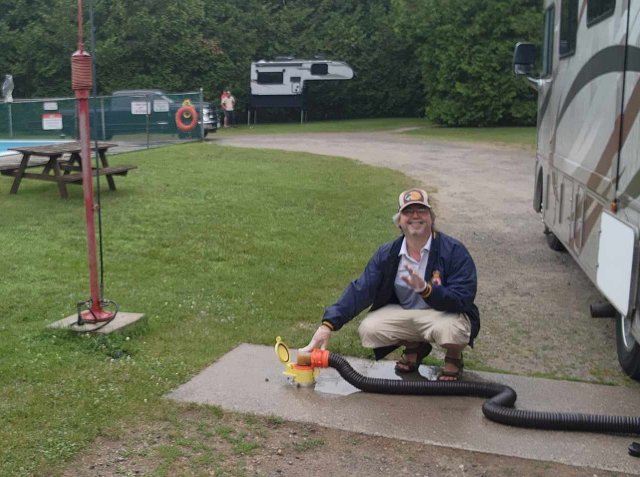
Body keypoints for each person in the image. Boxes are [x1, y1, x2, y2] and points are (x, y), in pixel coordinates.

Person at [302, 188, 479, 381]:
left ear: (431, 218)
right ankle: (415, 346)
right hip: (406, 312)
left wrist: (427, 290)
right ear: (399, 222)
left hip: (443, 315)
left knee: (453, 331)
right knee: (369, 329)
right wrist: (328, 325)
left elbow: (463, 297)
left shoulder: (453, 250)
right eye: (408, 212)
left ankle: (453, 357)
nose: (415, 216)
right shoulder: (388, 253)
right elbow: (362, 288)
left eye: (422, 210)